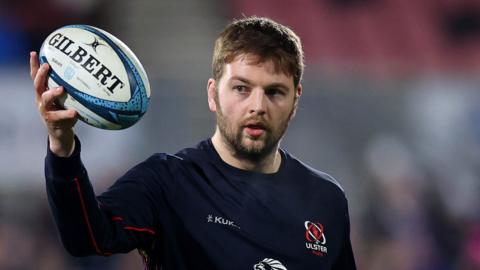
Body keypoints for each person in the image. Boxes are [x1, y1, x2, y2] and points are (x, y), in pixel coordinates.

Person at [30, 16, 356, 270]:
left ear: (295, 100)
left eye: (274, 92)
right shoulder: (167, 181)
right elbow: (86, 238)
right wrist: (62, 148)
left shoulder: (326, 199)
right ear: (213, 94)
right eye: (241, 88)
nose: (258, 106)